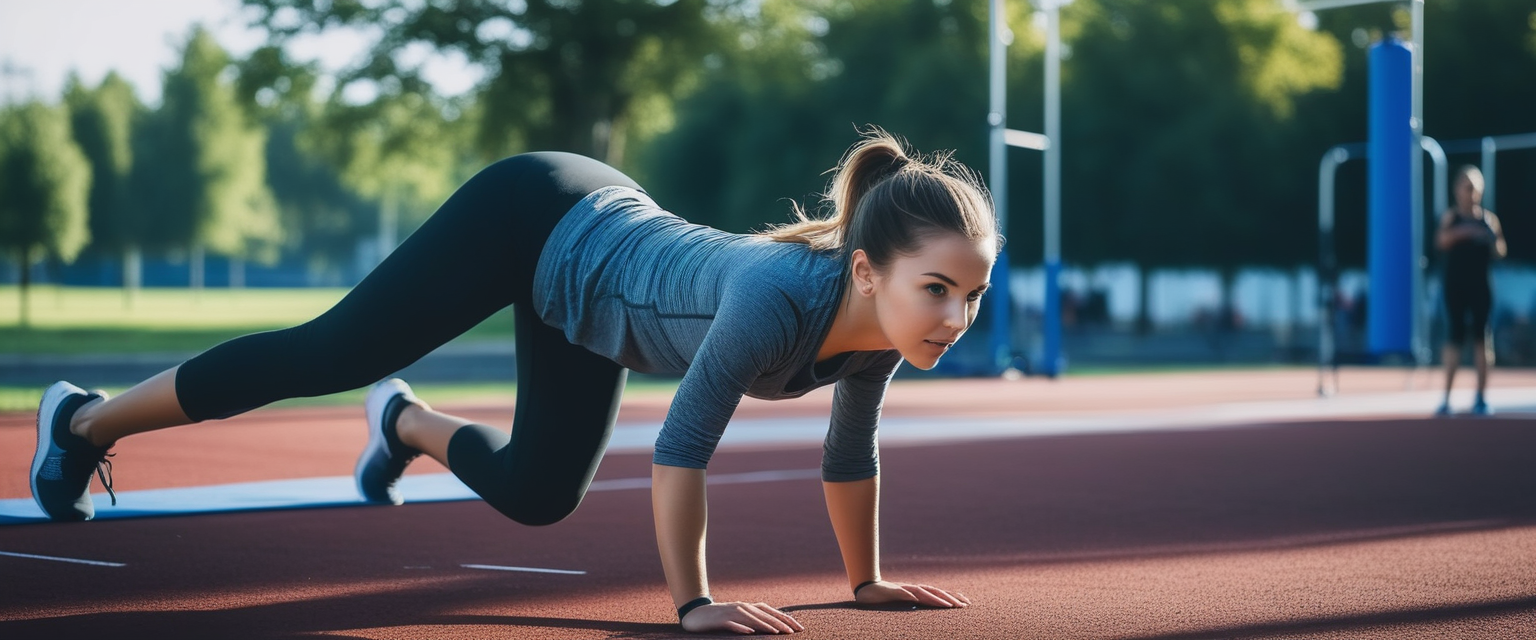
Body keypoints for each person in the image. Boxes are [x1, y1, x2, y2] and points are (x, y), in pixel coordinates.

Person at [30, 128, 994, 634]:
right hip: (539, 214)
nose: (955, 318)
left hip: (591, 289)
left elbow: (848, 450)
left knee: (539, 493)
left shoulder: (881, 332)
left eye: (974, 295)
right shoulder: (778, 297)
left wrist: (865, 582)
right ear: (869, 270)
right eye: (938, 290)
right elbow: (681, 446)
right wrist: (694, 604)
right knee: (327, 353)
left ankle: (403, 424)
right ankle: (81, 423)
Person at [1434, 165, 1506, 416]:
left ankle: (1481, 397)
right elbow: (1441, 241)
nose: (1470, 191)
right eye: (1466, 185)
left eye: (1474, 186)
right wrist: (1465, 231)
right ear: (1457, 189)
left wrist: (1489, 235)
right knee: (1454, 336)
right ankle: (1446, 397)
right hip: (1455, 285)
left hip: (1481, 287)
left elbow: (1500, 250)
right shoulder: (1451, 218)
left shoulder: (1489, 219)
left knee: (1481, 338)